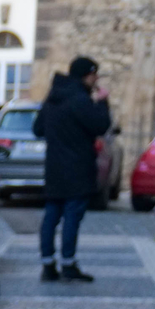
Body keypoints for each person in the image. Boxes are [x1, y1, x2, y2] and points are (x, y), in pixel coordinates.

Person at [33, 57, 112, 282]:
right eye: (94, 75)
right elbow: (101, 125)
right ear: (85, 75)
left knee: (51, 216)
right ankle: (68, 264)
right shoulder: (80, 100)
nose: (96, 79)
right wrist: (102, 102)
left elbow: (38, 128)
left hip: (54, 168)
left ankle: (47, 265)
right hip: (78, 168)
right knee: (71, 218)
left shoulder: (54, 98)